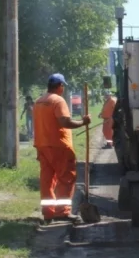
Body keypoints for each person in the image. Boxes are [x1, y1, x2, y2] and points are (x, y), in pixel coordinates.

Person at [33, 73, 91, 224]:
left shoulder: (39, 101)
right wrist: (83, 122)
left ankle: (48, 213)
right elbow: (65, 122)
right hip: (59, 146)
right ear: (60, 86)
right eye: (63, 86)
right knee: (66, 178)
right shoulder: (58, 101)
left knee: (47, 180)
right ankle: (62, 212)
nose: (63, 88)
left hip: (42, 145)